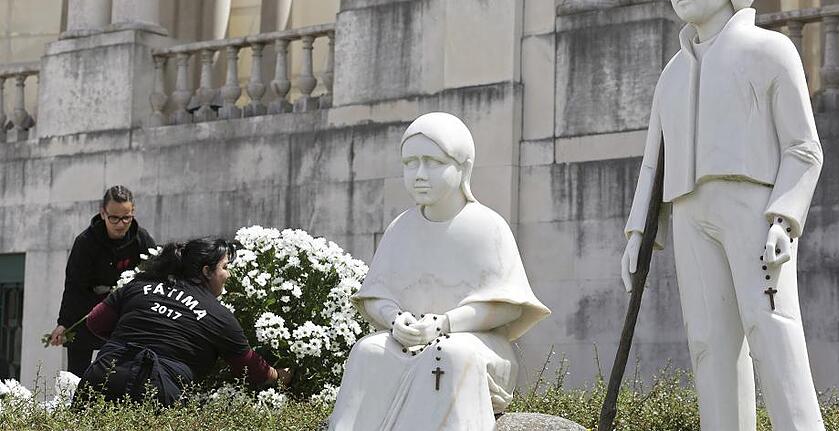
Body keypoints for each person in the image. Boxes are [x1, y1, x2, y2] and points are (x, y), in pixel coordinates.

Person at [620, 0, 825, 430]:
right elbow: (653, 161)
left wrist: (785, 218)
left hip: (751, 209)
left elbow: (803, 147)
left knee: (770, 326)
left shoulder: (770, 52)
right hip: (688, 213)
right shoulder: (671, 73)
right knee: (709, 341)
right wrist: (637, 232)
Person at [329, 112, 550, 431]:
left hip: (476, 345)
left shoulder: (487, 227)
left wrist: (445, 323)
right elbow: (377, 295)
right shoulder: (400, 228)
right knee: (369, 350)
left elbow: (506, 306)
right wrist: (395, 319)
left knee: (449, 353)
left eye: (432, 162)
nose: (419, 174)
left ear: (463, 168)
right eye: (409, 163)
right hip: (411, 341)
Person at [74, 237, 291, 406]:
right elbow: (250, 368)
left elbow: (95, 322)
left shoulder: (140, 285)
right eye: (225, 267)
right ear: (206, 271)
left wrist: (131, 338)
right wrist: (279, 376)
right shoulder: (220, 316)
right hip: (157, 391)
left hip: (103, 374)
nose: (229, 275)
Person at [49, 185, 156, 377]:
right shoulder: (85, 242)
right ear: (103, 213)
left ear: (133, 212)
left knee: (119, 371)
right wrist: (64, 323)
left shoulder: (142, 239)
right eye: (114, 218)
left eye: (126, 218)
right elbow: (74, 285)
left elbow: (155, 274)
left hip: (124, 312)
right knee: (77, 374)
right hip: (88, 309)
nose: (121, 224)